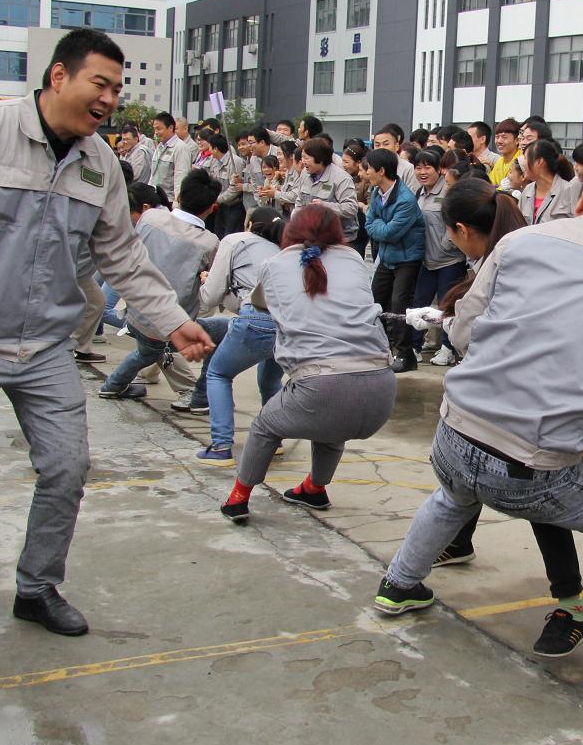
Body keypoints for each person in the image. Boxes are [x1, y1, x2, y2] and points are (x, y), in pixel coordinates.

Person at [0, 29, 214, 636]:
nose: (110, 99)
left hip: (46, 347)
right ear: (59, 76)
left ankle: (37, 586)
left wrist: (173, 321)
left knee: (67, 469)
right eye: (101, 84)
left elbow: (123, 258)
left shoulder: (101, 166)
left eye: (117, 89)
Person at [375, 152, 583, 708]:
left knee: (455, 491)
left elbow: (464, 332)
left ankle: (399, 584)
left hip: (454, 434)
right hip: (532, 466)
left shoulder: (521, 242)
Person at [220, 204, 397, 517]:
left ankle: (238, 498)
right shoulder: (354, 258)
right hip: (381, 389)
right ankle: (314, 489)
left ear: (290, 231)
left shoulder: (274, 264)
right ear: (337, 232)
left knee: (264, 427)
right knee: (331, 424)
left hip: (321, 386)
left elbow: (258, 304)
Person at [98, 170, 219, 401]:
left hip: (137, 307)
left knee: (150, 350)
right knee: (155, 350)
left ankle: (125, 383)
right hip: (171, 319)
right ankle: (192, 393)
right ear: (212, 208)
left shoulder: (151, 217)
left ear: (179, 197)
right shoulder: (209, 242)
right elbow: (211, 282)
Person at [181, 206, 286, 472]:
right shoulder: (283, 249)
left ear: (249, 225)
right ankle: (274, 440)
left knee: (218, 373)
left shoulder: (236, 240)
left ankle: (220, 446)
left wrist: (204, 284)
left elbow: (211, 296)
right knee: (270, 380)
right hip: (288, 325)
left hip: (256, 320)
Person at [363, 148, 425, 373]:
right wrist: (380, 226)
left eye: (369, 168)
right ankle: (379, 347)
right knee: (375, 301)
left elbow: (390, 233)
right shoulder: (376, 192)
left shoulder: (405, 199)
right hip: (387, 256)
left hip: (407, 259)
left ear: (381, 171)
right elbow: (368, 223)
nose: (366, 172)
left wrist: (378, 226)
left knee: (400, 305)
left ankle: (405, 354)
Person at [409, 148, 467, 367]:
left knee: (447, 305)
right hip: (427, 259)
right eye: (418, 168)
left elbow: (456, 220)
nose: (423, 172)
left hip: (450, 260)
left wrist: (446, 245)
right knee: (420, 302)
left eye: (428, 167)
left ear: (438, 170)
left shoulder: (448, 190)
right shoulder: (418, 193)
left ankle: (447, 349)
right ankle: (414, 347)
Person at [292, 136, 360, 243]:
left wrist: (325, 207)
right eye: (302, 157)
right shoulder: (305, 173)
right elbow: (299, 202)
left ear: (320, 159)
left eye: (306, 158)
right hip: (314, 236)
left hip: (341, 238)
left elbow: (351, 208)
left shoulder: (341, 178)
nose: (302, 161)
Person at [517, 139, 582, 224]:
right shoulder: (527, 191)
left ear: (539, 161)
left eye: (525, 158)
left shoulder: (568, 191)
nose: (522, 163)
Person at [372, 122, 421, 192]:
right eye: (377, 145)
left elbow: (413, 194)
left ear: (396, 146)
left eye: (386, 144)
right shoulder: (372, 167)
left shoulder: (408, 169)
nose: (381, 148)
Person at [490, 118, 521, 188]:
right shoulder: (499, 162)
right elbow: (490, 183)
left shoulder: (521, 160)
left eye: (504, 137)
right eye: (497, 137)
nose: (499, 141)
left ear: (517, 140)